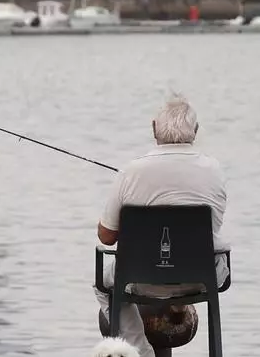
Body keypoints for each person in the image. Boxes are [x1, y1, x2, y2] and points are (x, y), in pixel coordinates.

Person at [94, 95, 230, 357]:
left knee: (103, 285)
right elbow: (215, 225)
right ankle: (182, 311)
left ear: (154, 128)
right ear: (195, 131)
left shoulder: (131, 172)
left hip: (140, 278)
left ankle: (141, 352)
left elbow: (106, 236)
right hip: (201, 278)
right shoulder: (215, 170)